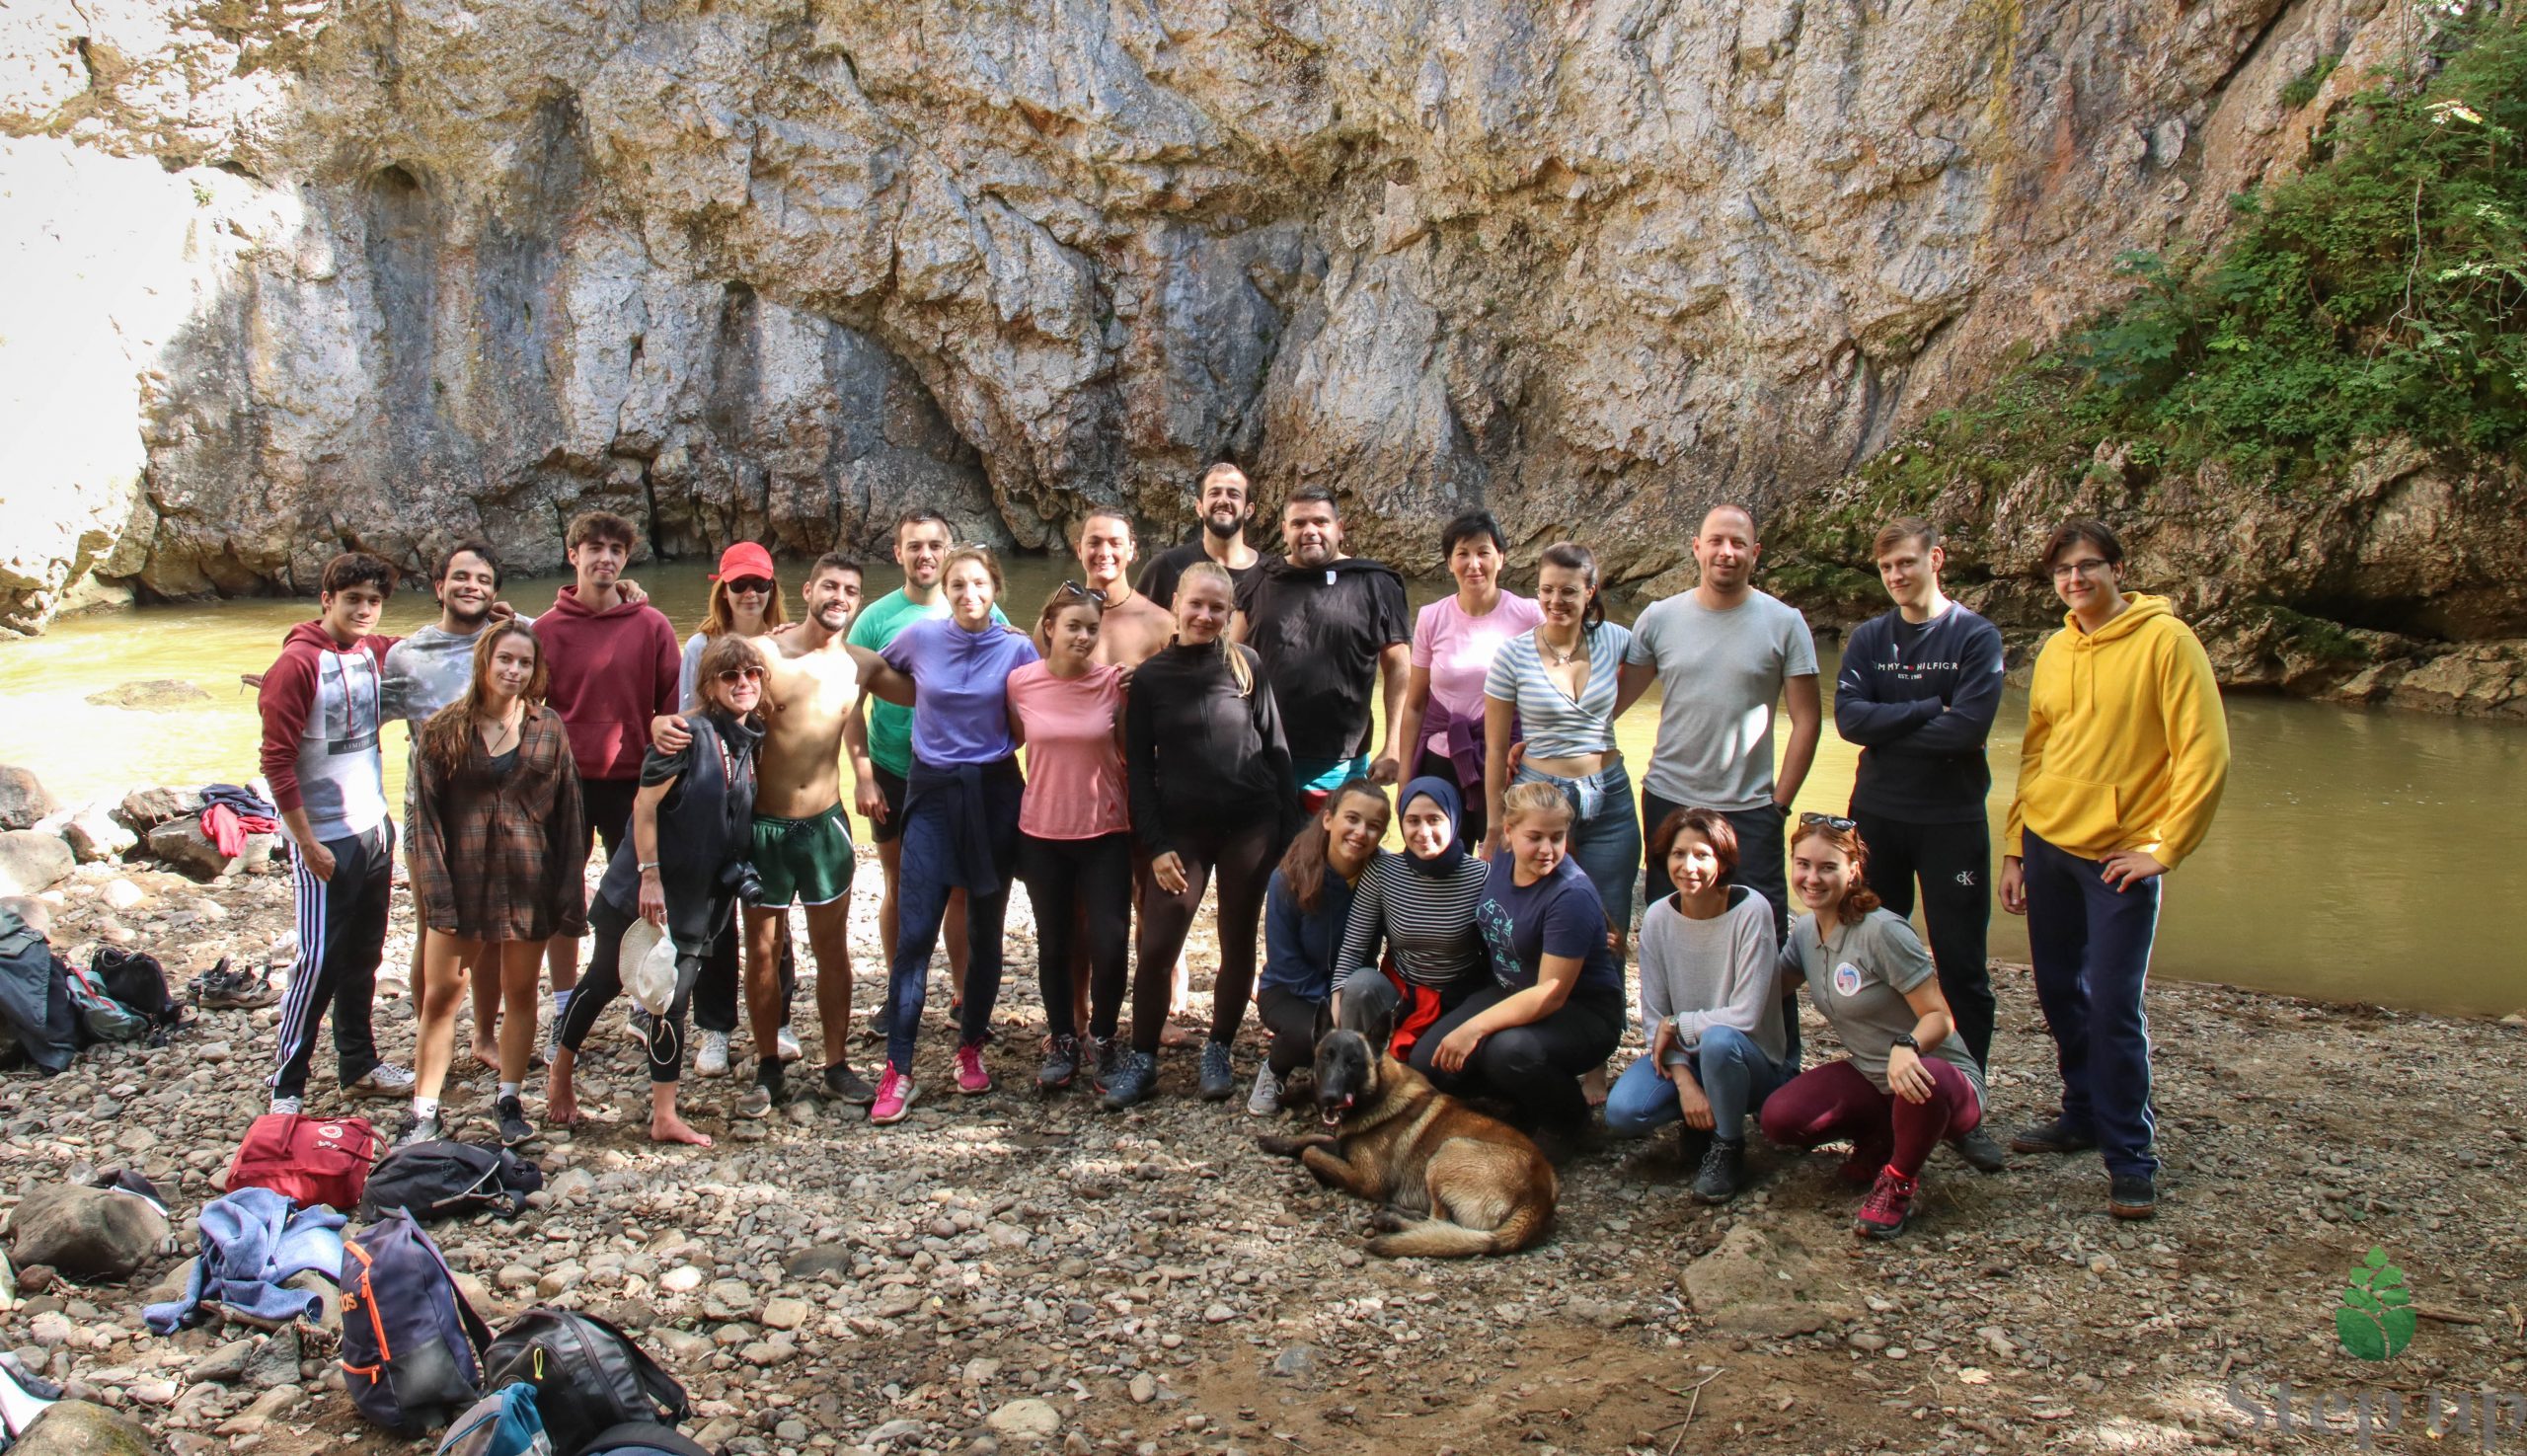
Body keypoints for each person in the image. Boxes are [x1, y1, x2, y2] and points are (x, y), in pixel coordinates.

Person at [2001, 519, 2230, 1220]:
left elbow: (2204, 752)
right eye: (2063, 570)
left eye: (2088, 565)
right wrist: (2014, 845)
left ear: (2118, 568)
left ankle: (2132, 1155)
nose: (2075, 579)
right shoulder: (2056, 648)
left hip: (2118, 856)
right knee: (2057, 991)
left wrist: (2165, 848)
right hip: (2047, 844)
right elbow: (2036, 750)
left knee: (2112, 1006)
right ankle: (2081, 1112)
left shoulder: (2168, 641)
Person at [664, 554, 878, 1115]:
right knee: (762, 952)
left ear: (859, 600)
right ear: (807, 589)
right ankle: (767, 1067)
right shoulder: (762, 655)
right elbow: (703, 705)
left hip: (825, 825)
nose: (839, 596)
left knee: (833, 951)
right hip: (762, 826)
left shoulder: (861, 664)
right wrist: (667, 725)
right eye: (829, 585)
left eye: (850, 590)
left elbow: (931, 687)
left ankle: (835, 1065)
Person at [1832, 516, 2010, 1173]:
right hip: (1877, 815)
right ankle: (1891, 1089)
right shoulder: (1871, 638)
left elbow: (1967, 729)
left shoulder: (1975, 635)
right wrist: (1925, 709)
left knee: (1962, 965)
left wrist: (1896, 723)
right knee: (1877, 952)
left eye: (1908, 562)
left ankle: (1969, 1104)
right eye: (1887, 568)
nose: (1898, 576)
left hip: (1951, 819)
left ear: (1936, 558)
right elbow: (1849, 720)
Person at [548, 636, 768, 1148]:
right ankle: (560, 1070)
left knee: (672, 999)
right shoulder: (684, 735)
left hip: (701, 898)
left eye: (752, 674)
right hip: (643, 889)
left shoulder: (748, 737)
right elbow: (644, 807)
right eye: (730, 676)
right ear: (709, 684)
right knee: (603, 980)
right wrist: (649, 875)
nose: (743, 684)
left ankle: (664, 1114)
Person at [1117, 562, 1301, 1108]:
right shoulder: (1152, 677)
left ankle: (1218, 1047)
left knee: (1237, 939)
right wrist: (1155, 843)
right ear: (1176, 602)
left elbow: (1277, 751)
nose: (1204, 615)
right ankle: (1142, 1056)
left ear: (1229, 613)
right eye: (1195, 604)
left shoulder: (1246, 665)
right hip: (1182, 834)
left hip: (1250, 825)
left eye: (1216, 608)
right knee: (1157, 945)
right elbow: (1140, 771)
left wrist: (1291, 834)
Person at [868, 547, 1039, 1123]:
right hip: (933, 791)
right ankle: (900, 1067)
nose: (968, 594)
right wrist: (805, 634)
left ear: (996, 587)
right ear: (946, 590)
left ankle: (970, 1048)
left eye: (978, 584)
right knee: (915, 933)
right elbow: (865, 668)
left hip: (993, 794)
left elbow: (1038, 709)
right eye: (957, 585)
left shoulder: (1017, 646)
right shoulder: (920, 638)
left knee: (986, 931)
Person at [406, 622, 587, 1148]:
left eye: (524, 663)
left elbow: (568, 815)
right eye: (505, 660)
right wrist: (437, 898)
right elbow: (425, 824)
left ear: (535, 671)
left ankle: (509, 1097)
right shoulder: (444, 729)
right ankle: (425, 1110)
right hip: (463, 886)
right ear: (485, 662)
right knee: (442, 997)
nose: (514, 671)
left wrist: (568, 894)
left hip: (530, 881)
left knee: (521, 992)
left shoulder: (548, 727)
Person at [1762, 815, 1987, 1239]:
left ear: (1854, 870)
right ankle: (1882, 1139)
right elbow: (1771, 989)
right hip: (1874, 1076)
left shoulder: (1883, 931)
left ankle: (1899, 1181)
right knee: (1781, 1118)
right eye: (1803, 864)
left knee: (1927, 1077)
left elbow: (1940, 1016)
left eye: (1828, 867)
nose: (1812, 878)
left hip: (1943, 1081)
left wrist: (1908, 1044)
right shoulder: (1807, 929)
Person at [1617, 503, 1821, 945]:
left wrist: (1779, 805)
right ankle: (1669, 1018)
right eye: (1716, 541)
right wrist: (1540, 742)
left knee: (1763, 934)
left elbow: (1808, 720)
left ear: (1755, 553)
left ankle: (1768, 1017)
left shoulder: (1784, 624)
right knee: (1669, 928)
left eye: (1738, 543)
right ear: (1697, 548)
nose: (1726, 552)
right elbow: (1611, 703)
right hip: (1670, 798)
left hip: (1750, 807)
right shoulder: (1659, 618)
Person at [257, 552, 414, 1114]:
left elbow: (426, 644)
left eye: (374, 601)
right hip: (324, 836)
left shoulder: (369, 650)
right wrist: (305, 841)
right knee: (317, 962)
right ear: (327, 599)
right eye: (353, 600)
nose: (365, 610)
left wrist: (492, 615)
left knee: (363, 954)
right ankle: (287, 1086)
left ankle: (359, 1065)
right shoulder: (298, 664)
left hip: (373, 827)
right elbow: (275, 762)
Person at [847, 509, 1008, 1035]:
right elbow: (850, 688)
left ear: (949, 550)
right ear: (898, 553)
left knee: (960, 889)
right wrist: (863, 773)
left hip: (955, 775)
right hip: (895, 768)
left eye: (935, 545)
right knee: (900, 884)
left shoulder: (981, 604)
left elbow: (1016, 681)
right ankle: (900, 992)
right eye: (914, 546)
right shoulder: (877, 617)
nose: (926, 555)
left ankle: (963, 994)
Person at [538, 511, 681, 1056]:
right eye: (594, 547)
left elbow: (671, 713)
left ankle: (643, 1006)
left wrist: (667, 785)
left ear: (626, 558)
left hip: (633, 786)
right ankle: (562, 1006)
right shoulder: (545, 630)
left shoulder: (652, 626)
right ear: (572, 554)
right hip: (566, 784)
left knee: (643, 898)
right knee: (563, 900)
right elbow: (529, 712)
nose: (605, 558)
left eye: (616, 549)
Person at [1418, 782, 1626, 1154]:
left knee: (1507, 1052)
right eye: (1535, 837)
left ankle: (1569, 1119)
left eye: (1557, 837)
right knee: (1428, 1065)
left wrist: (1473, 1028)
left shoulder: (1570, 895)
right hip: (1511, 991)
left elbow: (1550, 994)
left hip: (1580, 1012)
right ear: (1510, 833)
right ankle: (1521, 1101)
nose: (1547, 850)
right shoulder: (1502, 856)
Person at [1604, 808, 1789, 1204]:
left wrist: (1677, 1023)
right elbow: (1655, 1018)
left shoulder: (1752, 911)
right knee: (1623, 1112)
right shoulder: (1657, 917)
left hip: (1748, 1057)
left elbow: (1746, 1014)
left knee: (1720, 1041)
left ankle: (1727, 1144)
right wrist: (1686, 1083)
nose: (1689, 866)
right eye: (1678, 854)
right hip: (1687, 1057)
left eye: (1702, 855)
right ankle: (1699, 1117)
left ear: (1722, 860)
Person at [381, 541, 509, 1073]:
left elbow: (578, 609)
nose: (471, 587)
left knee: (495, 930)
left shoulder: (509, 640)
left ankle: (483, 1034)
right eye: (460, 577)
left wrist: (627, 588)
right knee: (435, 926)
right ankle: (430, 1034)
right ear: (439, 587)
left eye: (482, 579)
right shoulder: (407, 655)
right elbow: (365, 720)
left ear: (495, 591)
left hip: (499, 808)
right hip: (430, 813)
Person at [671, 542, 798, 1081]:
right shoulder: (699, 646)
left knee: (774, 919)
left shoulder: (787, 644)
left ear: (773, 590)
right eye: (739, 584)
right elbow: (684, 718)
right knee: (717, 921)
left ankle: (780, 1021)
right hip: (718, 799)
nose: (749, 593)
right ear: (722, 588)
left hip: (770, 798)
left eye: (759, 585)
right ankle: (717, 1028)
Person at [1484, 541, 1641, 962]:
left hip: (1610, 796)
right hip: (1539, 793)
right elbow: (1496, 748)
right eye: (1547, 590)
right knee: (1539, 915)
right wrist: (1496, 824)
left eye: (1569, 590)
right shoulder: (1513, 654)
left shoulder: (1617, 640)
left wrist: (1601, 722)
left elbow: (1656, 663)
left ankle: (1605, 1018)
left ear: (1590, 591)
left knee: (1611, 925)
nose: (1556, 601)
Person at [1008, 583, 1131, 1091]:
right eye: (1073, 626)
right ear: (1050, 628)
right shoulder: (1019, 683)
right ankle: (1061, 1038)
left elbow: (1129, 753)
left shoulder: (1114, 684)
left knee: (1110, 941)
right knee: (1054, 942)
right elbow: (1004, 740)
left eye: (1092, 629)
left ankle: (1102, 1037)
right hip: (1042, 830)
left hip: (1105, 830)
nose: (1083, 637)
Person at [1232, 486, 1413, 800]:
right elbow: (1231, 661)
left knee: (1333, 847)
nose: (1310, 531)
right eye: (1299, 523)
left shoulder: (1375, 583)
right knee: (1267, 848)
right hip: (1260, 750)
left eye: (1320, 522)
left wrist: (1394, 744)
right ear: (1285, 531)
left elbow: (1399, 668)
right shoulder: (1258, 580)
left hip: (1338, 762)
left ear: (1340, 529)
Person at [1392, 511, 1541, 850]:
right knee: (1437, 857)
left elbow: (1547, 693)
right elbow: (1415, 705)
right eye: (1462, 554)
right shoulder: (1432, 616)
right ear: (1449, 563)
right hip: (1439, 759)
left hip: (1504, 759)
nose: (1474, 564)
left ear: (1500, 559)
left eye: (1483, 552)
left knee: (1500, 857)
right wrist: (1404, 780)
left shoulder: (1530, 615)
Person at [1327, 777, 1493, 1073]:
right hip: (1399, 994)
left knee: (1432, 1071)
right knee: (1360, 985)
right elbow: (1353, 948)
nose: (1423, 832)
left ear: (1454, 821)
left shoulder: (1480, 876)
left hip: (1458, 998)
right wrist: (1338, 1008)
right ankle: (1357, 1077)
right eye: (1413, 820)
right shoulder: (1383, 870)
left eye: (1434, 820)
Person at [1255, 781, 1391, 1114]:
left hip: (1354, 991)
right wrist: (1333, 1005)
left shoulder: (1385, 876)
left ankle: (1347, 1091)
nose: (1361, 832)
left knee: (1361, 1047)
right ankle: (1275, 1072)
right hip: (1290, 991)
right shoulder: (1290, 877)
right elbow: (1285, 963)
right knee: (1317, 1039)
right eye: (1353, 819)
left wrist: (1349, 1001)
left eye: (1374, 826)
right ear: (1328, 819)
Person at [1136, 461, 1264, 610]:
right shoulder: (1166, 567)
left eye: (1233, 494)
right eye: (1214, 493)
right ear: (1199, 507)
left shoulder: (1269, 575)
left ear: (1249, 510)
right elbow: (1137, 628)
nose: (1223, 500)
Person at [1074, 510, 1176, 667]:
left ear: (1131, 550)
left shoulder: (1161, 624)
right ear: (1079, 549)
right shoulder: (1057, 619)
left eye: (1115, 544)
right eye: (1094, 543)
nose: (1104, 553)